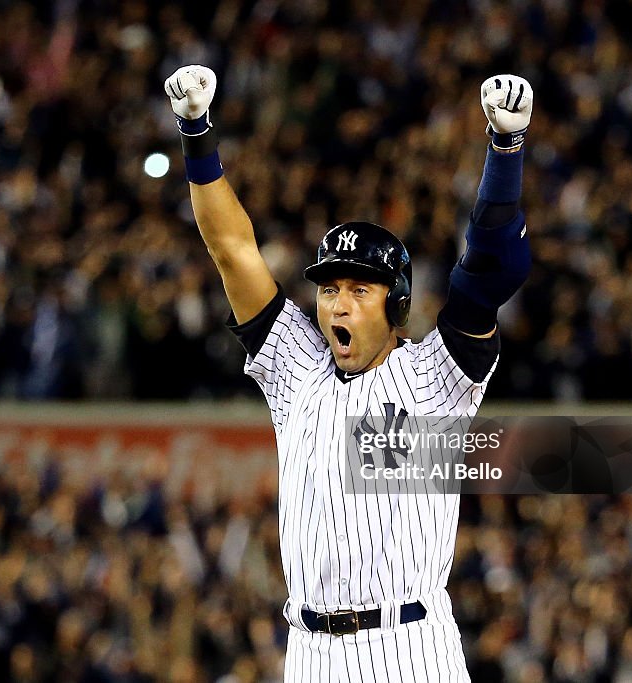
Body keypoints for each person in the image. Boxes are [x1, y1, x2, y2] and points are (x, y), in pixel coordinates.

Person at [165, 65, 533, 681]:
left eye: (359, 288)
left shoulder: (437, 378)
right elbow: (233, 251)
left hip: (410, 648)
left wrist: (505, 150)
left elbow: (491, 270)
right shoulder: (295, 366)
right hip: (309, 654)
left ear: (395, 303)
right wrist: (197, 133)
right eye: (329, 287)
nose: (337, 302)